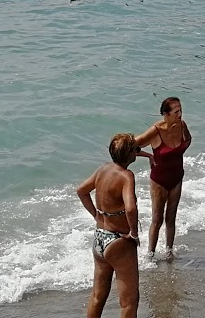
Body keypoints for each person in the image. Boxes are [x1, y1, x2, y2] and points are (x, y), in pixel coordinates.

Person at [75, 133, 142, 318]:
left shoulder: (103, 169)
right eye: (135, 148)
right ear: (129, 154)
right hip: (119, 241)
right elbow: (130, 208)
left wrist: (96, 214)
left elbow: (81, 191)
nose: (138, 151)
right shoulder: (127, 176)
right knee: (129, 301)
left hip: (99, 238)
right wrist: (134, 234)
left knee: (98, 295)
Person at [135, 97, 191, 258]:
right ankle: (150, 256)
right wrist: (149, 156)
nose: (180, 114)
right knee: (157, 219)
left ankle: (169, 253)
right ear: (165, 114)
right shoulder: (156, 131)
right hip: (159, 181)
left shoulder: (182, 126)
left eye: (181, 111)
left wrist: (176, 154)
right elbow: (131, 146)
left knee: (171, 218)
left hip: (177, 178)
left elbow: (188, 140)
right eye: (176, 112)